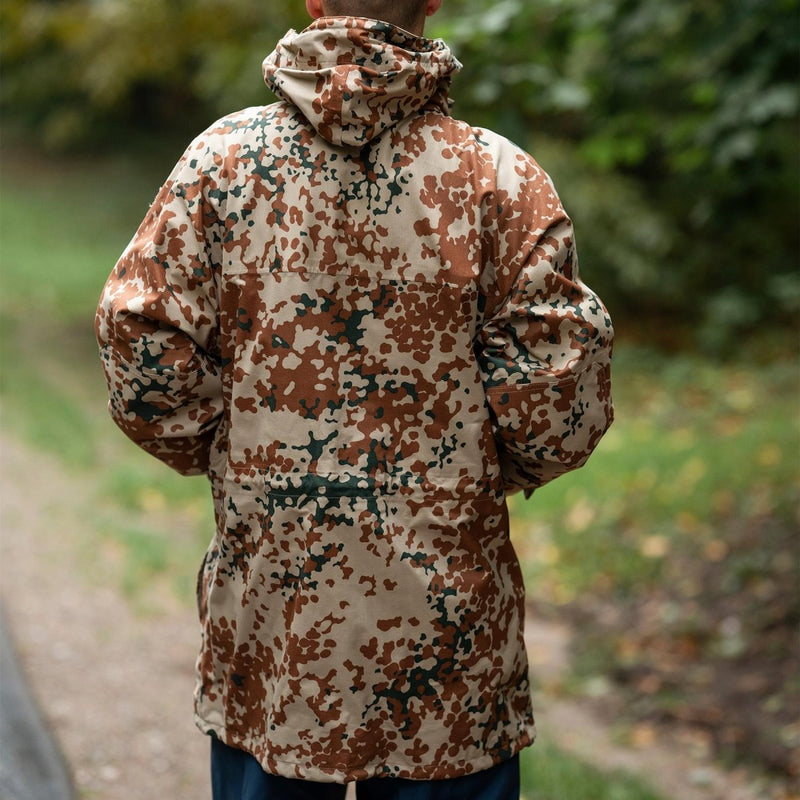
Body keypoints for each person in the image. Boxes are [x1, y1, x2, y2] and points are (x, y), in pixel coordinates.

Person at [95, 0, 614, 797]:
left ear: (312, 0)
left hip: (274, 631)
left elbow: (138, 341)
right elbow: (558, 394)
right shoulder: (498, 177)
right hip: (448, 650)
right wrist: (478, 467)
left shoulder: (221, 161)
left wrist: (224, 446)